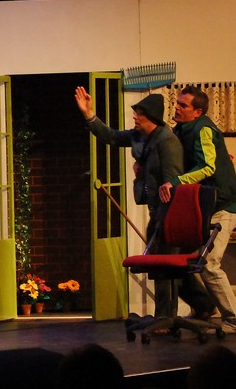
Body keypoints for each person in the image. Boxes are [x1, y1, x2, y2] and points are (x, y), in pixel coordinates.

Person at [74, 86, 214, 321]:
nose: (135, 117)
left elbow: (173, 183)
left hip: (168, 212)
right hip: (155, 209)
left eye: (139, 114)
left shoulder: (167, 141)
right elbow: (111, 136)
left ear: (151, 118)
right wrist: (89, 114)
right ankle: (204, 304)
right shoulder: (140, 136)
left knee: (162, 267)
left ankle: (164, 318)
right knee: (166, 264)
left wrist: (165, 221)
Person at [158, 85, 236, 333]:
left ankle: (234, 321)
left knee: (209, 264)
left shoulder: (203, 128)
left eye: (183, 105)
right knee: (178, 260)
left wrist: (176, 182)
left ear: (197, 111)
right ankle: (202, 307)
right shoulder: (181, 130)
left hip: (223, 207)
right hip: (203, 208)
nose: (176, 107)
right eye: (177, 103)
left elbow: (208, 166)